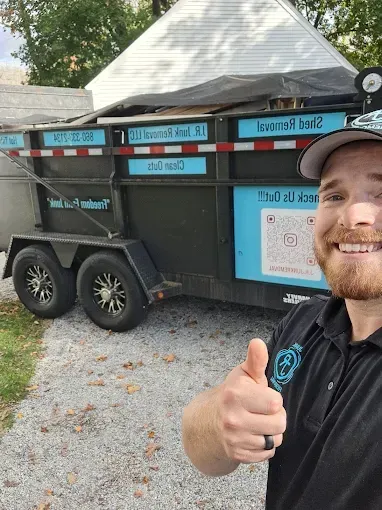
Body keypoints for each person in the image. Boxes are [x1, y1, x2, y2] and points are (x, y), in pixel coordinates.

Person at [182, 109, 382, 510]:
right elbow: (202, 451)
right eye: (335, 195)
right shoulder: (303, 323)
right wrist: (219, 422)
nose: (353, 215)